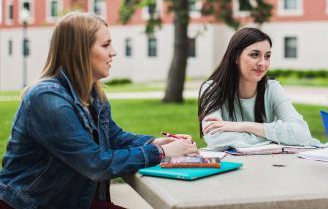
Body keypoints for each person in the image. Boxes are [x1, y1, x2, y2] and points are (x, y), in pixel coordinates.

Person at [0, 12, 198, 209]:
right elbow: (95, 164)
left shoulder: (92, 93)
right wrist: (160, 152)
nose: (113, 52)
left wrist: (155, 142)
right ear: (79, 51)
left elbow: (114, 137)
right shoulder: (47, 98)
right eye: (105, 45)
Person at [198, 27, 321, 150]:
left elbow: (302, 134)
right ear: (236, 57)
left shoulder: (272, 88)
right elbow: (215, 139)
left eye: (267, 56)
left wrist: (241, 126)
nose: (262, 63)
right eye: (254, 55)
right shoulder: (211, 89)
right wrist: (275, 138)